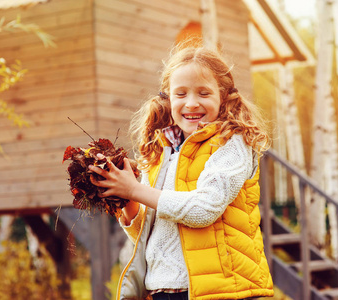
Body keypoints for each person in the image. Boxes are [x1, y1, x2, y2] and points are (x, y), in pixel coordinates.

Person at [89, 46, 274, 300]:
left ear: (224, 96)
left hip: (222, 291)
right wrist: (127, 198)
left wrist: (136, 189)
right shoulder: (159, 153)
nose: (191, 103)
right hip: (161, 290)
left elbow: (203, 210)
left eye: (204, 93)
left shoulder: (231, 143)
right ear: (168, 99)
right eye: (181, 93)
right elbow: (147, 232)